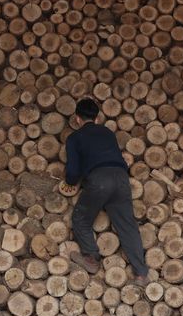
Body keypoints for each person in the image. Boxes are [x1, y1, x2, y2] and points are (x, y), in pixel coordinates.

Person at [62, 98, 149, 287]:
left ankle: (92, 258)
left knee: (80, 218)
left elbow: (73, 171)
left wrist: (69, 181)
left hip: (100, 179)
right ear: (97, 118)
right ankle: (141, 274)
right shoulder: (108, 132)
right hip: (121, 177)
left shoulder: (75, 138)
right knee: (127, 224)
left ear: (77, 119)